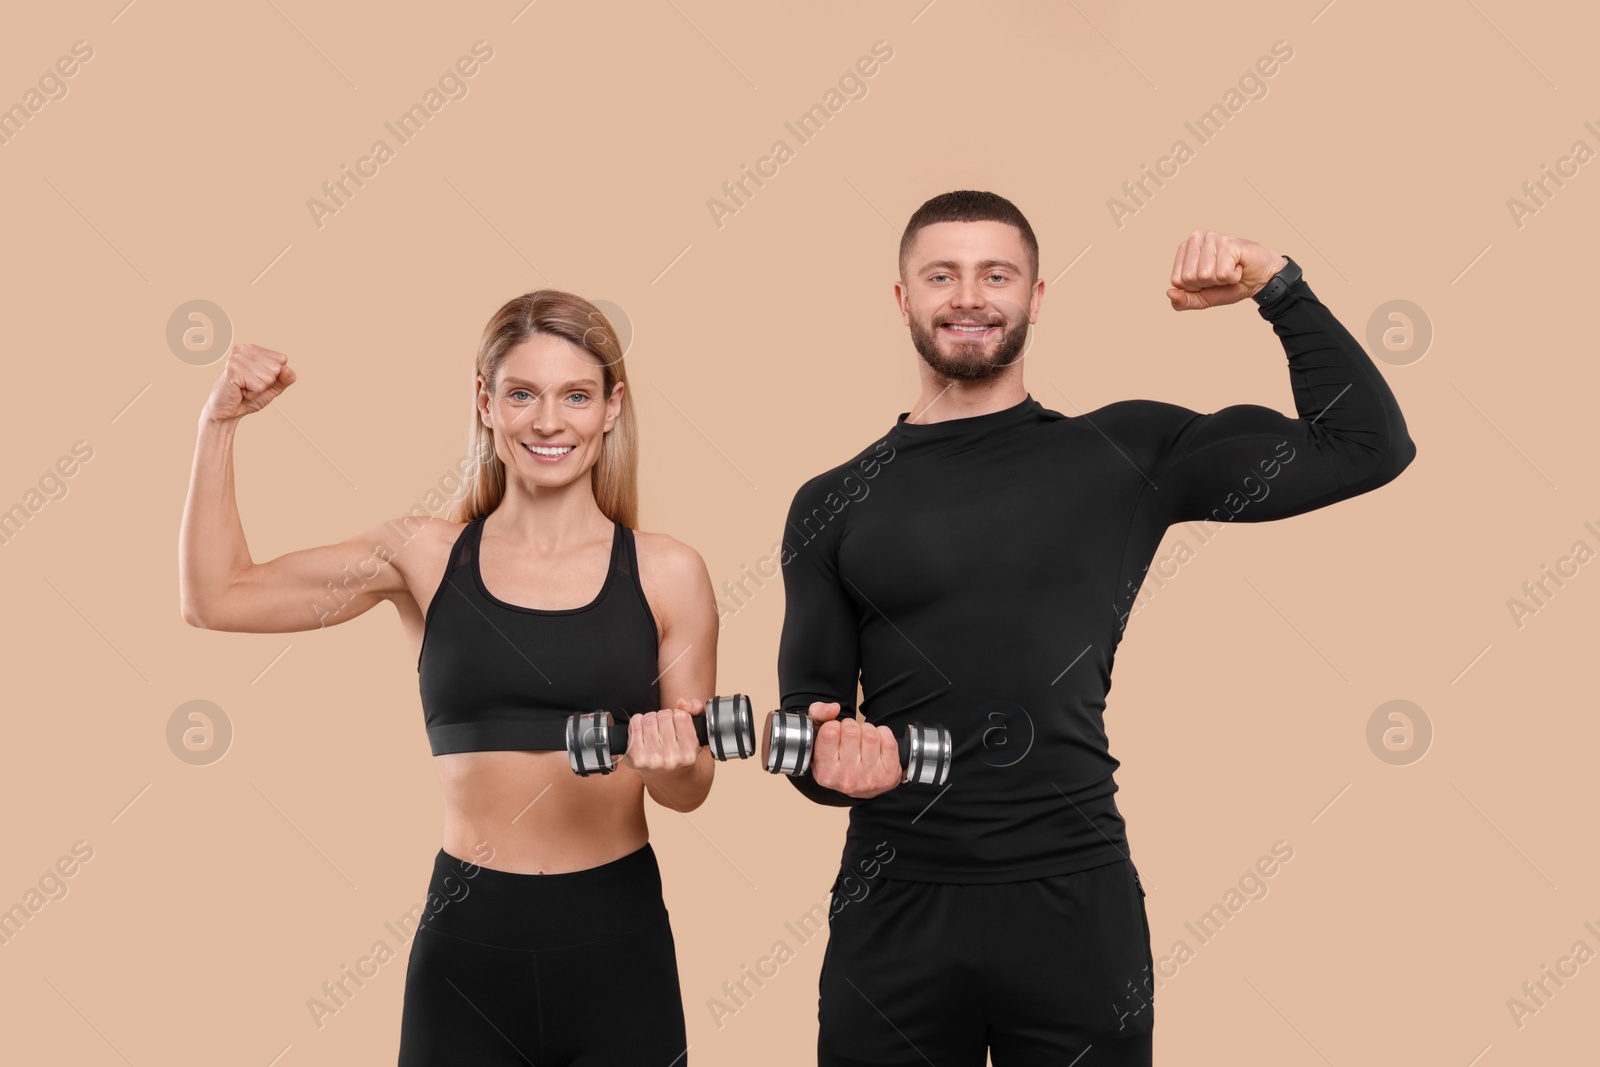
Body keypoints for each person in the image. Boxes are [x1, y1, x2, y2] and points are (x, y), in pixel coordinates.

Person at [777, 190, 1417, 1066]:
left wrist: (1276, 285)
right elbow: (805, 722)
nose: (969, 296)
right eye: (942, 274)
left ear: (1036, 297)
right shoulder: (831, 502)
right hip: (894, 912)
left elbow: (1366, 446)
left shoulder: (1125, 453)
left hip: (1077, 908)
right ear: (902, 299)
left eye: (996, 274)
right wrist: (830, 765)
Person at [178, 290, 718, 1065]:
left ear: (611, 408)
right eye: (522, 393)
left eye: (575, 395)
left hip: (617, 943)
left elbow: (690, 787)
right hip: (470, 943)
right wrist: (218, 423)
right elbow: (215, 596)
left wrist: (671, 761)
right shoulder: (423, 557)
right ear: (486, 403)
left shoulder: (669, 572)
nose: (548, 421)